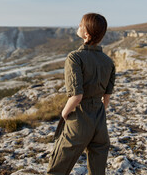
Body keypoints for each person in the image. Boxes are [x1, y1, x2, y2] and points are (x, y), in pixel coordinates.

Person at [47, 13, 116, 175]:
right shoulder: (108, 62)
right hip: (99, 119)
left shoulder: (75, 58)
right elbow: (106, 98)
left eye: (80, 25)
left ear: (87, 34)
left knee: (57, 168)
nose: (77, 26)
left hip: (79, 118)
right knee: (97, 170)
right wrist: (98, 113)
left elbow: (76, 96)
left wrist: (64, 114)